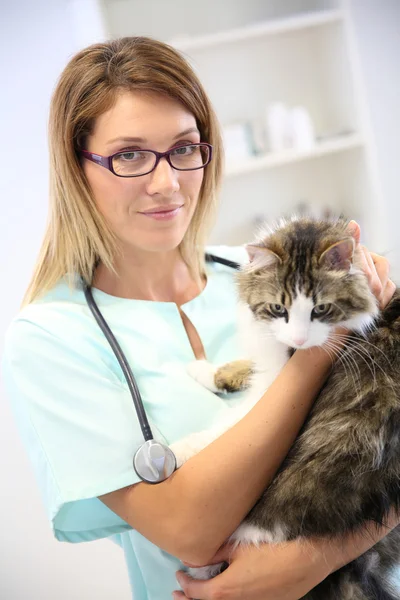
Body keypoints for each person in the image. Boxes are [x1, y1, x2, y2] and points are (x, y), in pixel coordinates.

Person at [2, 36, 397, 600]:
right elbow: (188, 530)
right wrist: (321, 352)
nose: (166, 183)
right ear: (77, 166)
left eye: (184, 148)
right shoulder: (50, 339)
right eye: (130, 155)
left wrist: (312, 561)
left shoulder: (270, 274)